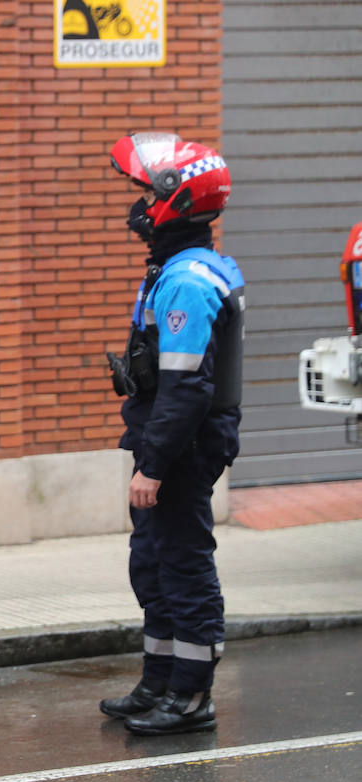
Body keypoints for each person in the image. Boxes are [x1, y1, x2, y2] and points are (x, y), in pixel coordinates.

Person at [100, 132, 245, 736]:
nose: (137, 206)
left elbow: (187, 388)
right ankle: (158, 680)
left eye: (144, 194)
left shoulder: (186, 278)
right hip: (165, 437)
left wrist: (153, 465)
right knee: (152, 562)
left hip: (179, 445)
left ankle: (191, 697)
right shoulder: (178, 266)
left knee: (182, 565)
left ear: (173, 201)